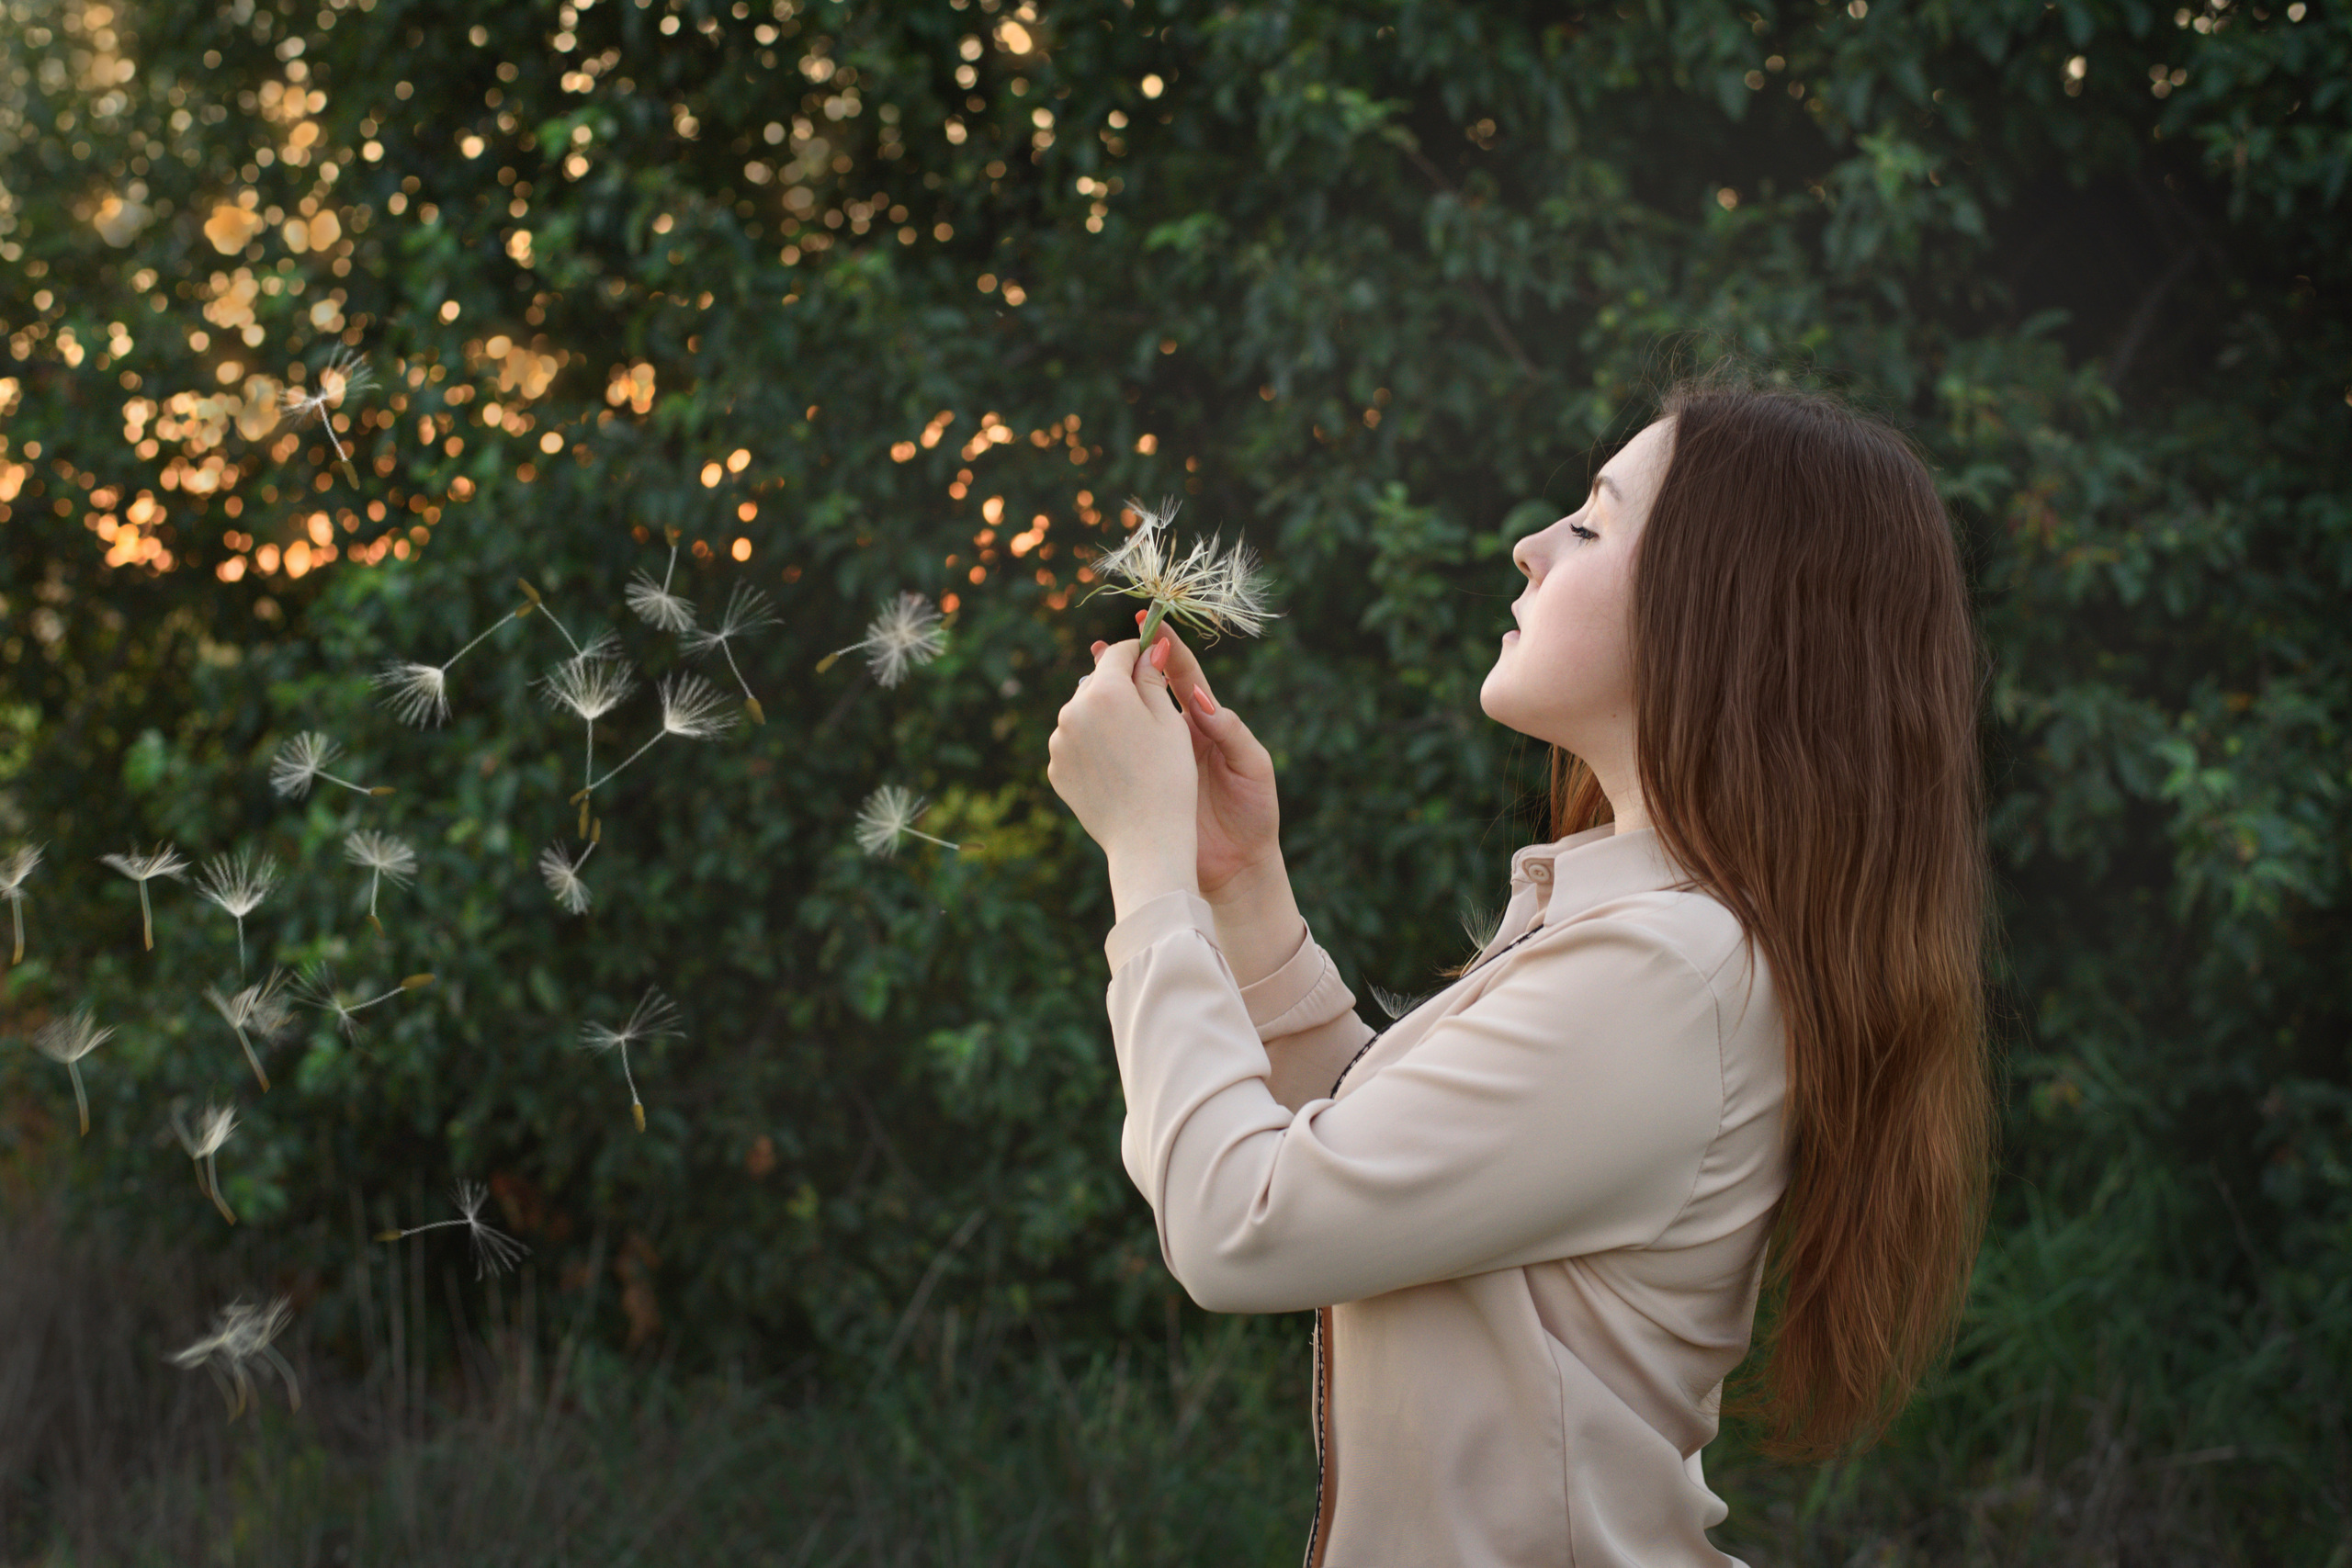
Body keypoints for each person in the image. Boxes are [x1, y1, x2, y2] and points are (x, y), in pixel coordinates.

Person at [1046, 374, 1996, 1567]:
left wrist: (1149, 872)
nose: (1531, 546)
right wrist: (1239, 887)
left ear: (1726, 612)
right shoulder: (1659, 939)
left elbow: (1240, 1226)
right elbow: (1370, 1159)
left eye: (1592, 522)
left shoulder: (1669, 977)